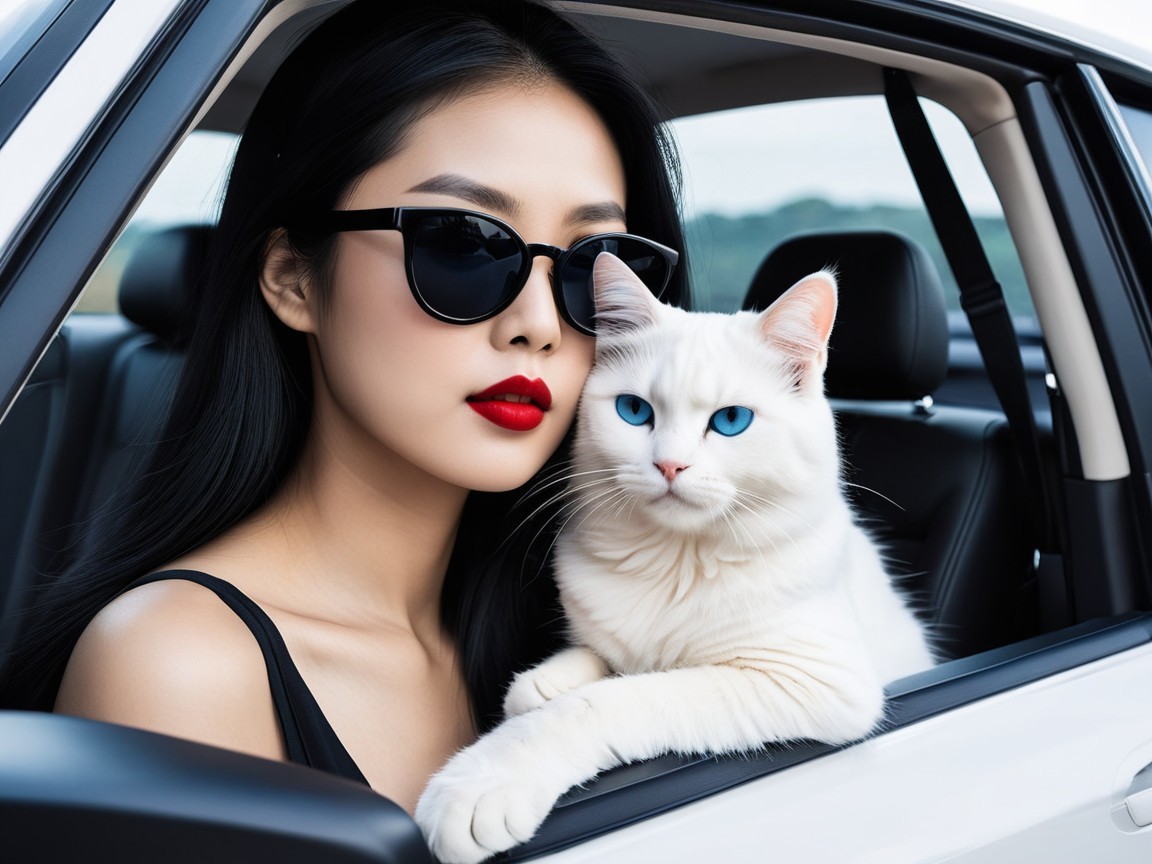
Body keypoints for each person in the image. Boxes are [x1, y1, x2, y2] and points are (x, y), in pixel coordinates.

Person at [0, 0, 687, 813]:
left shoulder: (599, 630)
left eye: (591, 266)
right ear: (293, 278)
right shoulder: (178, 663)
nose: (538, 324)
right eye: (464, 243)